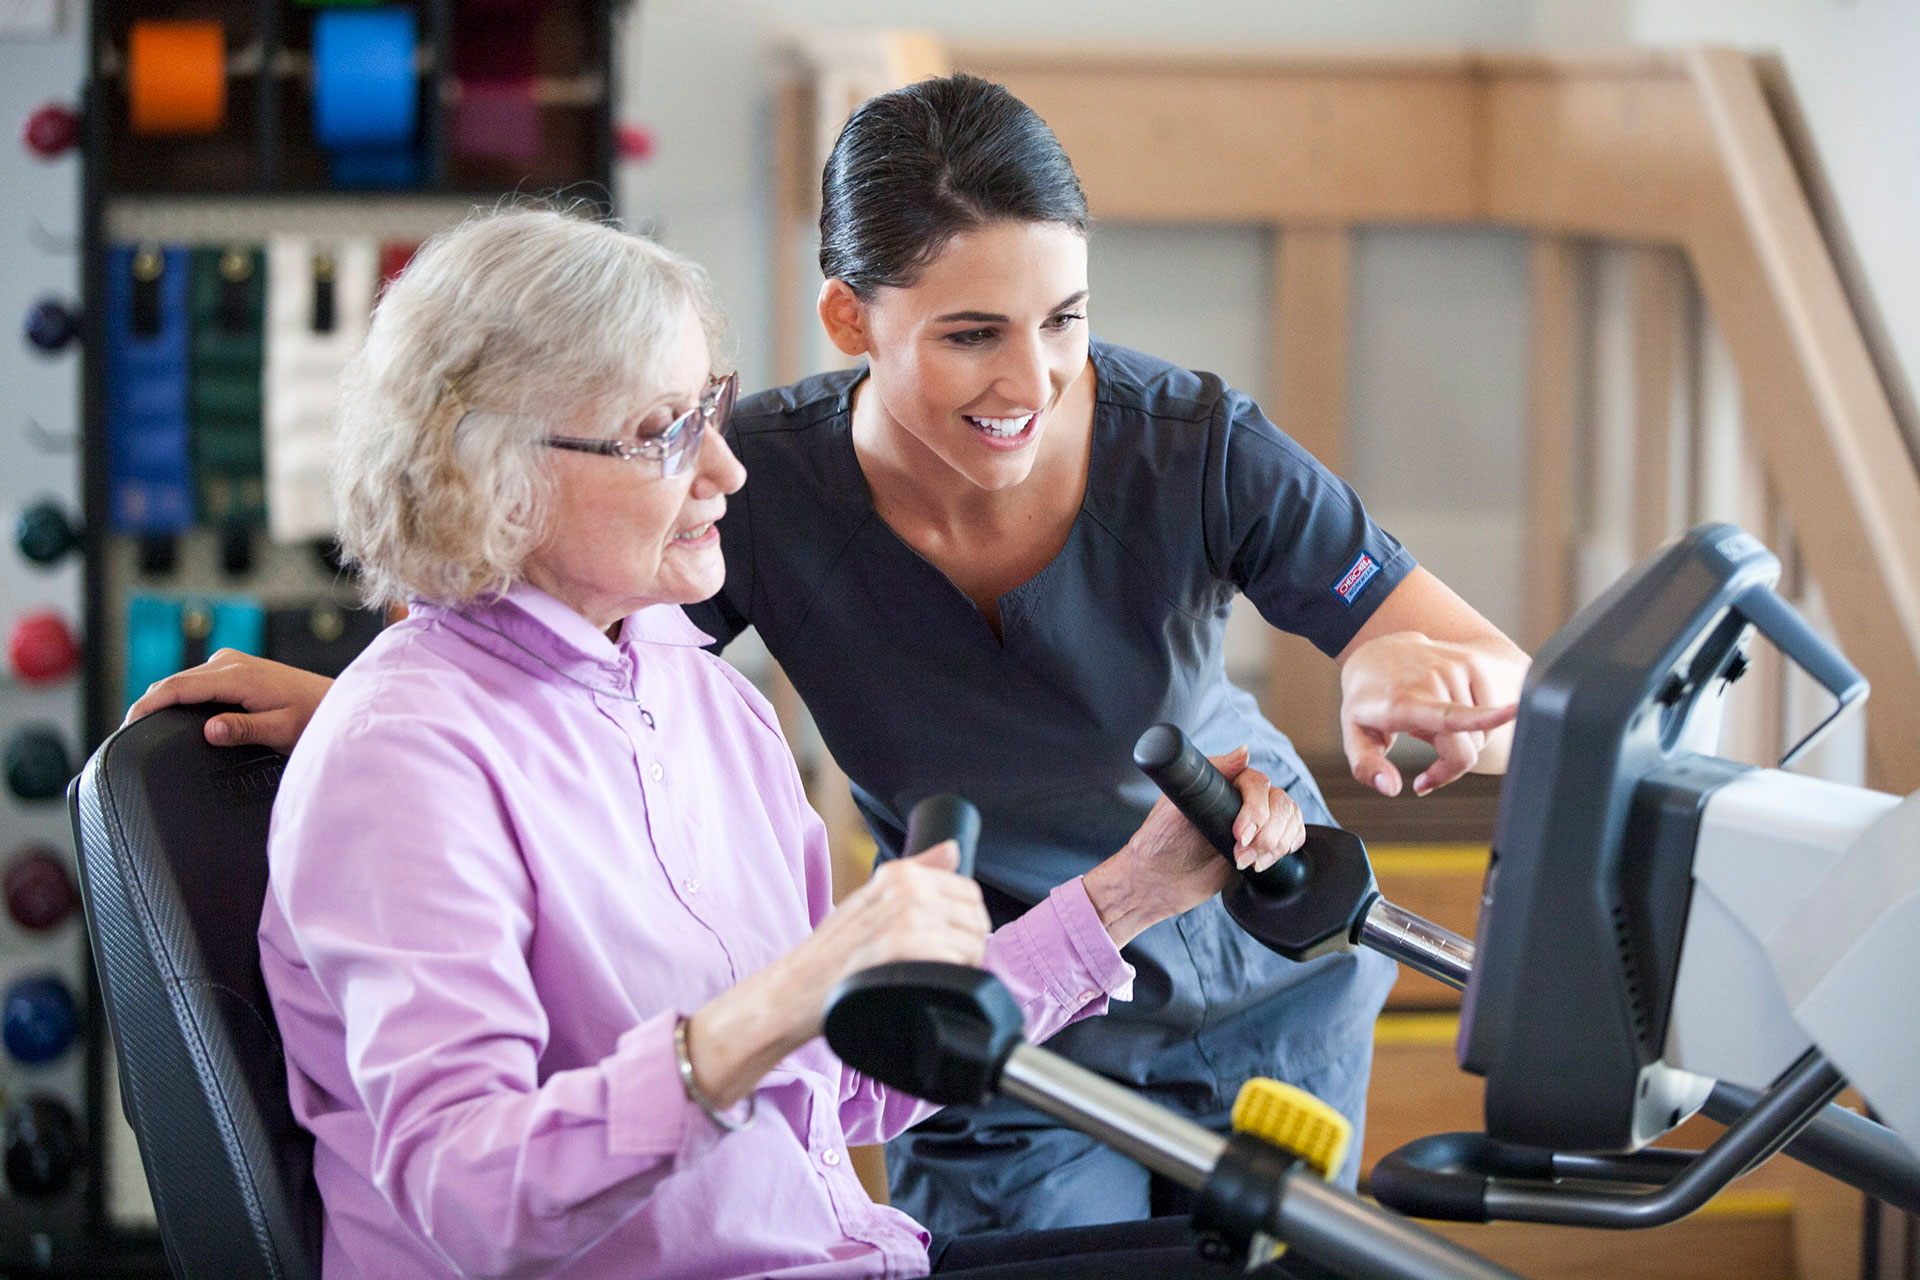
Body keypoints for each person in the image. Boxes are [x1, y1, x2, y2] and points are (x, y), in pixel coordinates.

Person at [132, 76, 1529, 1237]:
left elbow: (1461, 655)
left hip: (1218, 947)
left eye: (1065, 322)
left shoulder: (1183, 445)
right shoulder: (751, 506)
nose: (1034, 382)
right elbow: (524, 662)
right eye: (972, 332)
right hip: (973, 1011)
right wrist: (365, 713)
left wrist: (1368, 689)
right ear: (853, 322)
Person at [239, 208, 1308, 1279]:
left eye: (714, 407)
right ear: (489, 472)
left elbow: (838, 1084)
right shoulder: (399, 759)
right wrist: (788, 995)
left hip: (855, 1258)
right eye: (664, 430)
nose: (726, 469)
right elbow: (469, 1198)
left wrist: (1130, 892)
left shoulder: (701, 695)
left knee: (1298, 1260)